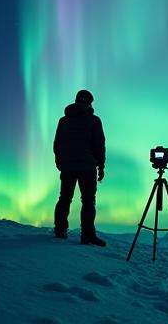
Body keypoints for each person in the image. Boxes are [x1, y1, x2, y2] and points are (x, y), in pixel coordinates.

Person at [53, 89, 107, 246]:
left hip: (67, 167)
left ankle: (60, 230)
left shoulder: (63, 121)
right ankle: (88, 235)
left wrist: (60, 162)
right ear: (89, 102)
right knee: (88, 201)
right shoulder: (94, 120)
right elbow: (99, 145)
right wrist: (101, 166)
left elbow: (57, 144)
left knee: (64, 198)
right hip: (87, 167)